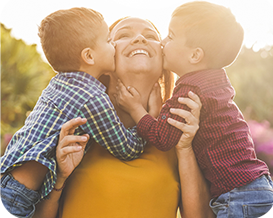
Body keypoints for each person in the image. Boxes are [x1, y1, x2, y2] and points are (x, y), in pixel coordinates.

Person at [33, 17, 214, 218]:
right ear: (102, 55)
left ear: (164, 60)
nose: (139, 39)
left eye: (150, 36)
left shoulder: (180, 130)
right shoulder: (75, 126)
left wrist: (185, 148)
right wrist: (59, 177)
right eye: (123, 35)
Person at [116, 1, 273, 217]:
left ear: (195, 56)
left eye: (170, 37)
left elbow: (162, 138)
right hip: (259, 188)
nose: (163, 42)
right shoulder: (217, 80)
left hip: (237, 195)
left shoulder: (189, 88)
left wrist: (137, 110)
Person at [0, 7, 149, 218]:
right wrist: (146, 116)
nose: (113, 45)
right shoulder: (91, 97)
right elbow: (128, 148)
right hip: (15, 197)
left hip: (8, 184)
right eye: (108, 40)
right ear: (88, 56)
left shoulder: (60, 83)